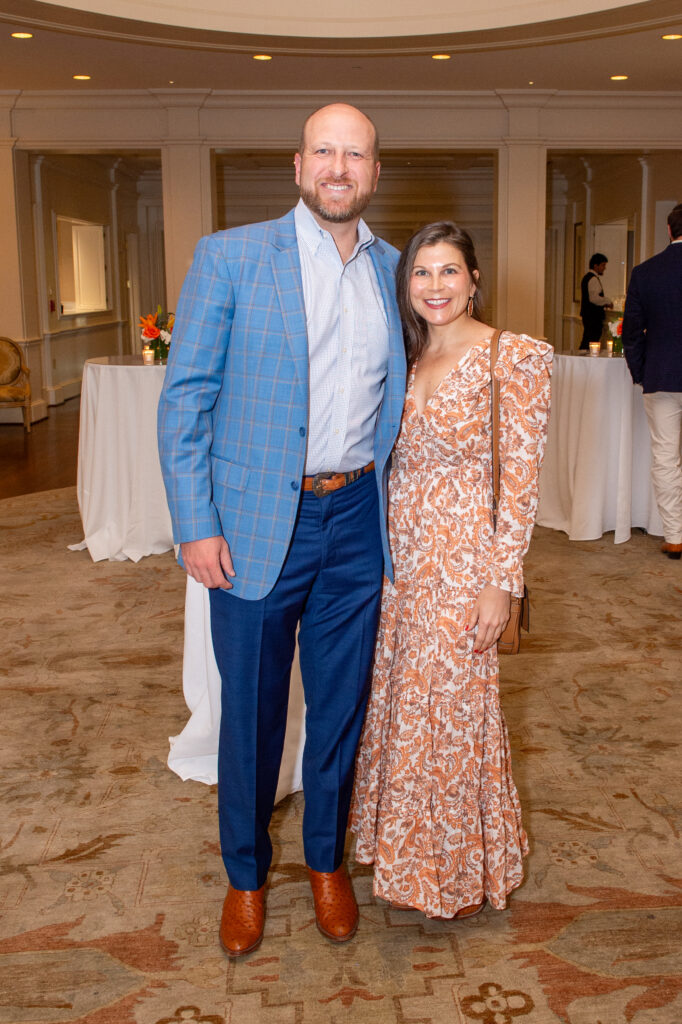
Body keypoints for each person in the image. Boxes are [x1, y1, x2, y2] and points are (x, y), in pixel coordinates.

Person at [157, 103, 406, 956]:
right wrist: (196, 523)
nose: (340, 167)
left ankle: (328, 864)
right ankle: (245, 876)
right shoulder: (230, 257)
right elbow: (185, 396)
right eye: (325, 151)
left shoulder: (394, 271)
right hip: (262, 524)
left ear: (375, 173)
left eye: (357, 154)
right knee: (252, 714)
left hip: (357, 521)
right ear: (299, 167)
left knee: (340, 709)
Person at [350, 222, 552, 919]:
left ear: (474, 280)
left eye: (449, 272)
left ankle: (460, 872)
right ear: (406, 287)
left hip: (466, 566)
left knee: (457, 715)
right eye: (421, 274)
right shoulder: (400, 359)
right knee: (408, 707)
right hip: (400, 563)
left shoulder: (511, 357)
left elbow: (521, 480)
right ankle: (408, 859)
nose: (435, 286)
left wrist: (503, 582)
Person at [622, 203, 682, 559]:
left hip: (661, 375)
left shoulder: (645, 273)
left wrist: (641, 372)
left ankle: (675, 536)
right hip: (660, 373)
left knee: (665, 456)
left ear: (669, 229)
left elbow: (632, 332)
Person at [579, 252, 613, 350]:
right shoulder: (593, 279)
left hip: (588, 315)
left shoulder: (587, 278)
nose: (604, 268)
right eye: (603, 265)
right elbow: (594, 298)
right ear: (595, 265)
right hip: (593, 316)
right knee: (591, 340)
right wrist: (607, 301)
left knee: (588, 339)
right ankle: (585, 360)